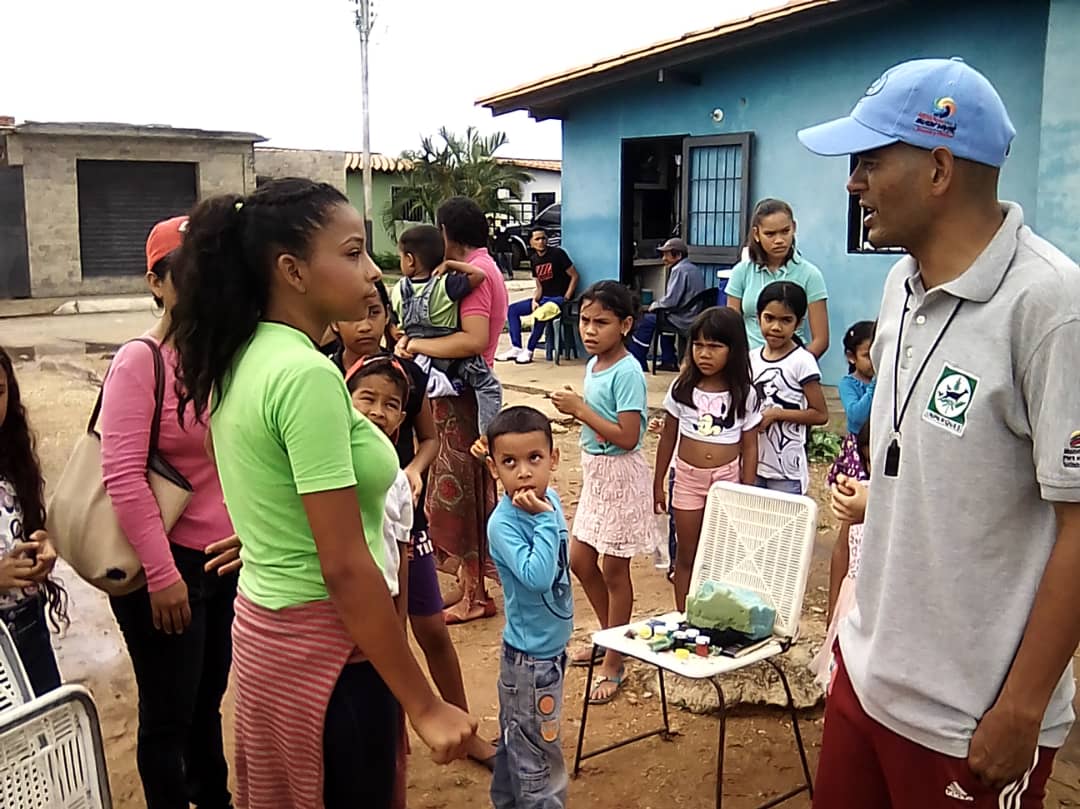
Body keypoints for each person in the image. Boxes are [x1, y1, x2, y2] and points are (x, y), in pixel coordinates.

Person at [799, 57, 1080, 808]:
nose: (853, 182)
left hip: (970, 719)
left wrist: (1021, 709)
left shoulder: (1050, 308)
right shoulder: (900, 284)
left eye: (869, 160)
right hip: (869, 678)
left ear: (940, 168)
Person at [167, 178, 476, 809]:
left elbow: (270, 478)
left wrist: (267, 534)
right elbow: (341, 563)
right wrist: (423, 703)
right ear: (293, 271)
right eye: (353, 251)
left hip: (268, 634)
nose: (372, 271)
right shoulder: (306, 373)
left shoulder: (246, 352)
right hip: (329, 654)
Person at [99, 215, 238, 809]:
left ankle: (213, 798)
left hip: (221, 565)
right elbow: (124, 477)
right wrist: (161, 576)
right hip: (165, 568)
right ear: (155, 282)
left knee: (206, 702)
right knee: (168, 716)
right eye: (181, 271)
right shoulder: (141, 361)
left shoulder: (224, 360)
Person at [338, 303, 498, 768]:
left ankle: (464, 729)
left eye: (375, 314)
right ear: (334, 318)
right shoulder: (320, 373)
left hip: (406, 521)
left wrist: (414, 470)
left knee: (428, 627)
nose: (364, 324)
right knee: (374, 634)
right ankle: (392, 735)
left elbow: (428, 438)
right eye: (355, 314)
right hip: (347, 524)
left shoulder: (409, 372)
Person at [397, 196, 509, 625]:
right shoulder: (481, 266)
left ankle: (476, 593)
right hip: (456, 395)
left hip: (462, 397)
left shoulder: (474, 275)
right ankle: (470, 584)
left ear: (447, 233)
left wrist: (416, 344)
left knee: (461, 495)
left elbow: (472, 339)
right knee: (462, 491)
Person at [551, 281, 650, 704]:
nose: (589, 330)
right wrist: (581, 413)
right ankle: (611, 635)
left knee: (614, 569)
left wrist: (580, 411)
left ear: (625, 325)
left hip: (621, 475)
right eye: (584, 321)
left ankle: (614, 659)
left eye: (601, 323)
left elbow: (628, 436)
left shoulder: (627, 372)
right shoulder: (595, 365)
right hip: (597, 474)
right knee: (580, 558)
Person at [483, 406, 573, 809]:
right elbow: (536, 577)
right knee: (539, 758)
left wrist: (546, 516)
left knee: (518, 742)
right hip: (529, 663)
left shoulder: (548, 498)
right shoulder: (504, 524)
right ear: (493, 469)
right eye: (509, 462)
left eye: (534, 459)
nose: (523, 472)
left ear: (553, 459)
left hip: (547, 653)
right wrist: (544, 520)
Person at [653, 307, 761, 611]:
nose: (705, 353)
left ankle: (715, 616)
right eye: (698, 345)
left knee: (721, 554)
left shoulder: (744, 394)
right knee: (686, 553)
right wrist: (658, 482)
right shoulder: (682, 388)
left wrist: (747, 489)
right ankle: (685, 616)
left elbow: (750, 446)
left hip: (727, 480)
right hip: (687, 479)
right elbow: (668, 437)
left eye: (715, 346)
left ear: (735, 349)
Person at [0, 346, 66, 696]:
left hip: (29, 625)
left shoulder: (13, 456)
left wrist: (44, 547)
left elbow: (29, 528)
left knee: (45, 738)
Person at [392, 224, 503, 430]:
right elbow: (479, 276)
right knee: (488, 386)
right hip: (451, 358)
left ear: (409, 259)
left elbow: (398, 325)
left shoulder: (398, 289)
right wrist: (452, 265)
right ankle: (487, 436)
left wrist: (405, 341)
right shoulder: (447, 284)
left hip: (418, 358)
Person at [750, 281, 830, 496]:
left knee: (783, 527)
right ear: (758, 317)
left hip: (787, 470)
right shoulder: (751, 359)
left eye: (786, 320)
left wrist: (777, 414)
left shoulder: (802, 361)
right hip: (752, 463)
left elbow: (820, 414)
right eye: (769, 318)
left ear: (798, 323)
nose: (776, 327)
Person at [725, 199, 830, 358]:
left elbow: (821, 340)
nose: (779, 240)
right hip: (747, 365)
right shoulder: (741, 272)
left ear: (794, 228)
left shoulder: (810, 275)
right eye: (770, 234)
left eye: (785, 231)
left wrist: (795, 368)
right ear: (756, 234)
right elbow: (731, 328)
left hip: (792, 368)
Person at [810, 421, 870, 693]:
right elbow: (841, 550)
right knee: (841, 667)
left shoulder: (908, 504)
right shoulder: (858, 494)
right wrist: (833, 603)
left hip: (880, 596)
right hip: (852, 595)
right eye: (868, 459)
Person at [498, 228, 579, 365]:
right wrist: (535, 300)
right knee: (513, 310)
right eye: (537, 239)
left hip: (559, 299)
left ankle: (529, 350)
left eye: (543, 238)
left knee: (541, 313)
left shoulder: (558, 254)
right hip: (544, 298)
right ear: (530, 242)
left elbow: (575, 276)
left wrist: (566, 297)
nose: (541, 242)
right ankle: (516, 348)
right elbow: (539, 286)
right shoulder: (534, 259)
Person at [629, 237, 706, 371]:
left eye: (666, 254)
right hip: (693, 314)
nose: (663, 258)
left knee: (646, 321)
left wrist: (654, 305)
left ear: (678, 255)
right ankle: (668, 359)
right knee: (662, 318)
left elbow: (671, 300)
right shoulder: (693, 268)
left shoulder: (679, 270)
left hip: (684, 318)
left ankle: (638, 359)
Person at [827, 320, 876, 485]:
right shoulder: (848, 384)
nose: (875, 361)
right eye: (867, 355)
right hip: (859, 448)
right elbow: (856, 417)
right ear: (851, 357)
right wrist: (876, 384)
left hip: (882, 443)